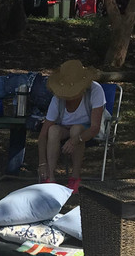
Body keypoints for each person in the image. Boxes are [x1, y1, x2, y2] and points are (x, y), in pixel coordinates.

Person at [37, 59, 105, 193]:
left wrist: (75, 140)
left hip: (87, 131)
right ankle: (50, 177)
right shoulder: (57, 98)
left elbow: (94, 128)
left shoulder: (95, 90)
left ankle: (75, 178)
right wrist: (42, 162)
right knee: (53, 130)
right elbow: (43, 135)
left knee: (76, 129)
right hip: (65, 129)